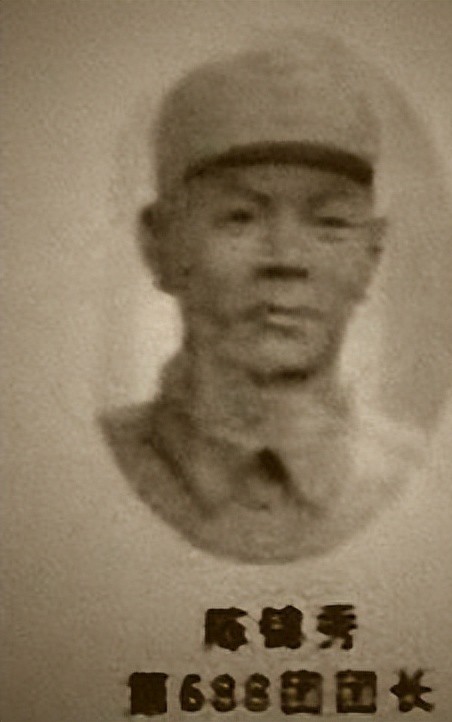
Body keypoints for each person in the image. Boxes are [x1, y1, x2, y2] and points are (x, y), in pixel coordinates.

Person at [100, 32, 425, 563]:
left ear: (372, 255)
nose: (286, 258)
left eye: (330, 222)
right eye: (240, 217)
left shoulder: (417, 478)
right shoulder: (90, 466)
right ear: (158, 246)